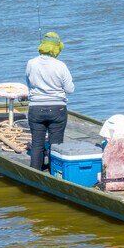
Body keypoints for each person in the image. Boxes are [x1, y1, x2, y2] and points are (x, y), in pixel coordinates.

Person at [25, 31, 75, 170]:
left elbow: (29, 84)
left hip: (35, 109)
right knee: (56, 145)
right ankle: (55, 173)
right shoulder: (60, 65)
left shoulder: (31, 63)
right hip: (57, 109)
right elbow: (70, 89)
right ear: (56, 48)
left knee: (37, 145)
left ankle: (35, 173)